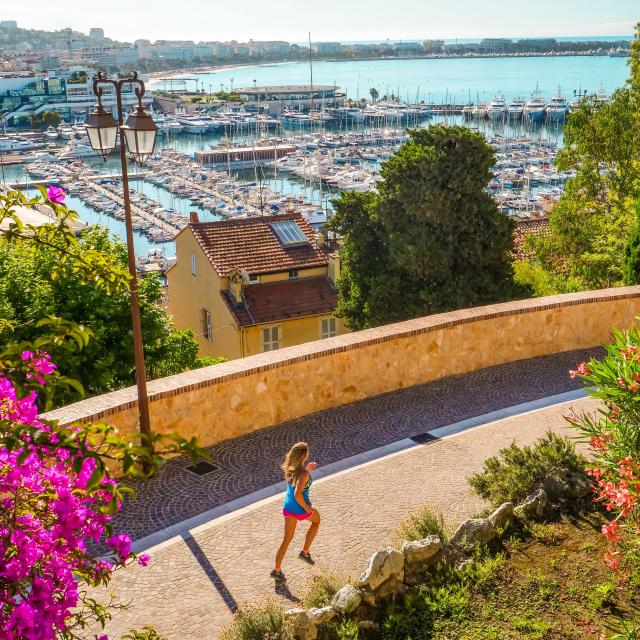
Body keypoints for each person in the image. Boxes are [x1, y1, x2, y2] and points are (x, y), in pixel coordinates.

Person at [271, 441, 321, 582]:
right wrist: (306, 508)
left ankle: (277, 570)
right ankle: (305, 552)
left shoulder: (291, 468)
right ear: (304, 455)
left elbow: (299, 480)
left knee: (286, 539)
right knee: (317, 521)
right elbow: (297, 494)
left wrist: (308, 470)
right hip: (299, 507)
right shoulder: (303, 473)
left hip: (288, 507)